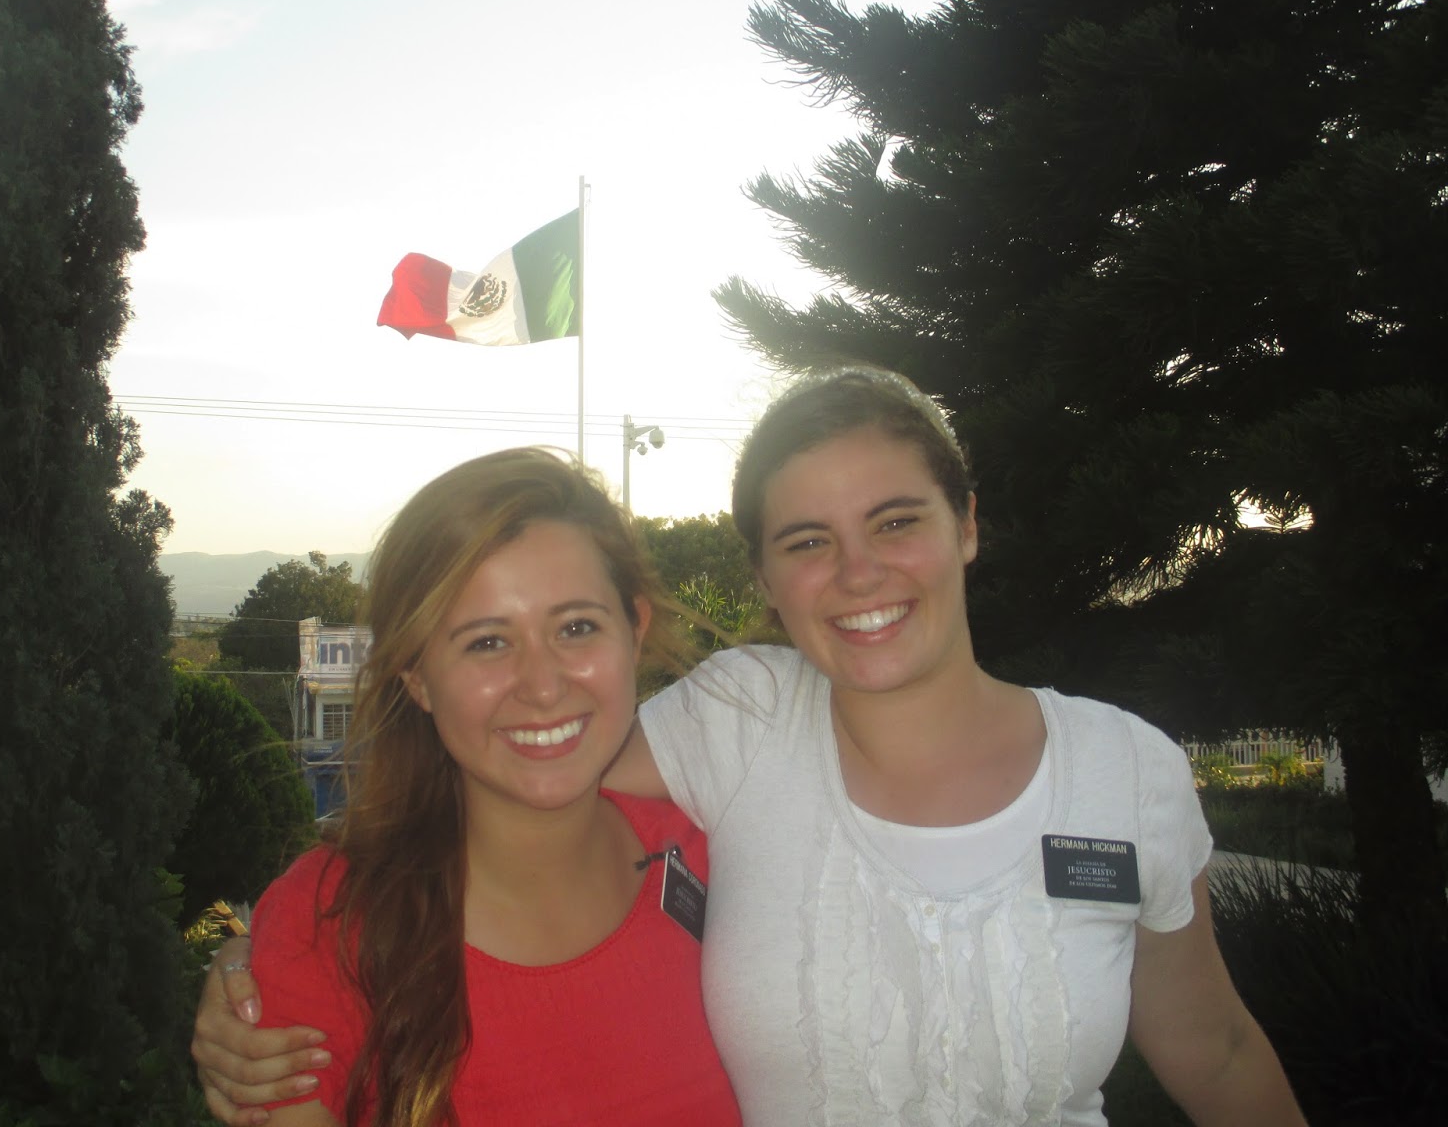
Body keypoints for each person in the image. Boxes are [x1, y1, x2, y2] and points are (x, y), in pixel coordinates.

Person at [195, 366, 1304, 1126]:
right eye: (808, 541)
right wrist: (268, 958)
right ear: (767, 579)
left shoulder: (1125, 773)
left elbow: (1216, 1052)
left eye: (897, 521)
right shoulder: (741, 727)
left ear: (967, 521)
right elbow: (531, 756)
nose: (859, 573)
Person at [215, 447, 741, 1127]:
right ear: (417, 678)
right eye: (487, 642)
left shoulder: (724, 856)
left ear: (633, 633)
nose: (543, 686)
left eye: (577, 627)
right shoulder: (328, 927)